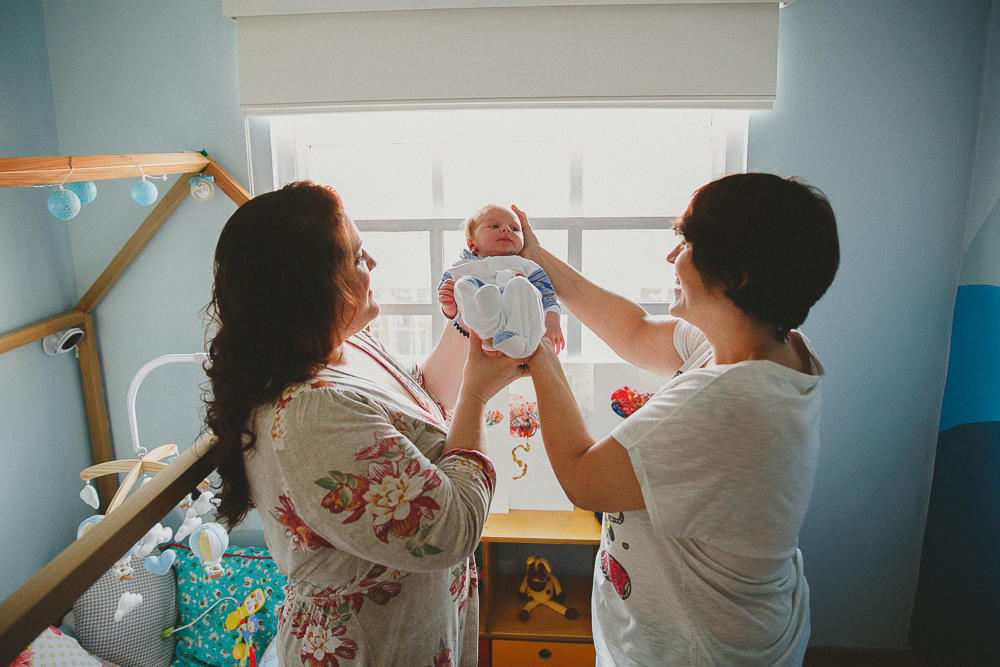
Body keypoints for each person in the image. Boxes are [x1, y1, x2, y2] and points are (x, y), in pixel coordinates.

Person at [518, 173, 840, 666]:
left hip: (695, 649)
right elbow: (633, 330)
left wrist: (535, 348)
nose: (673, 257)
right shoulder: (775, 349)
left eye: (687, 241)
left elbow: (584, 479)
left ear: (736, 275)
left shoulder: (727, 403)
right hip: (736, 624)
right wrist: (537, 259)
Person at [203, 182, 524, 667]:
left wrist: (464, 330)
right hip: (370, 645)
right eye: (356, 256)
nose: (372, 263)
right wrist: (476, 394)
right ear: (310, 286)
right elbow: (449, 529)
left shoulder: (348, 344)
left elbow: (420, 400)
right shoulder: (313, 412)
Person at [438, 204, 565, 358]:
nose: (506, 229)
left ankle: (514, 334)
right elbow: (455, 308)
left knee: (521, 284)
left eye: (515, 228)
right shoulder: (462, 269)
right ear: (472, 244)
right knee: (462, 284)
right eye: (494, 226)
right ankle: (488, 329)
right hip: (480, 330)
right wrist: (449, 307)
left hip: (523, 330)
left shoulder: (526, 265)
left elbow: (547, 293)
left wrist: (552, 320)